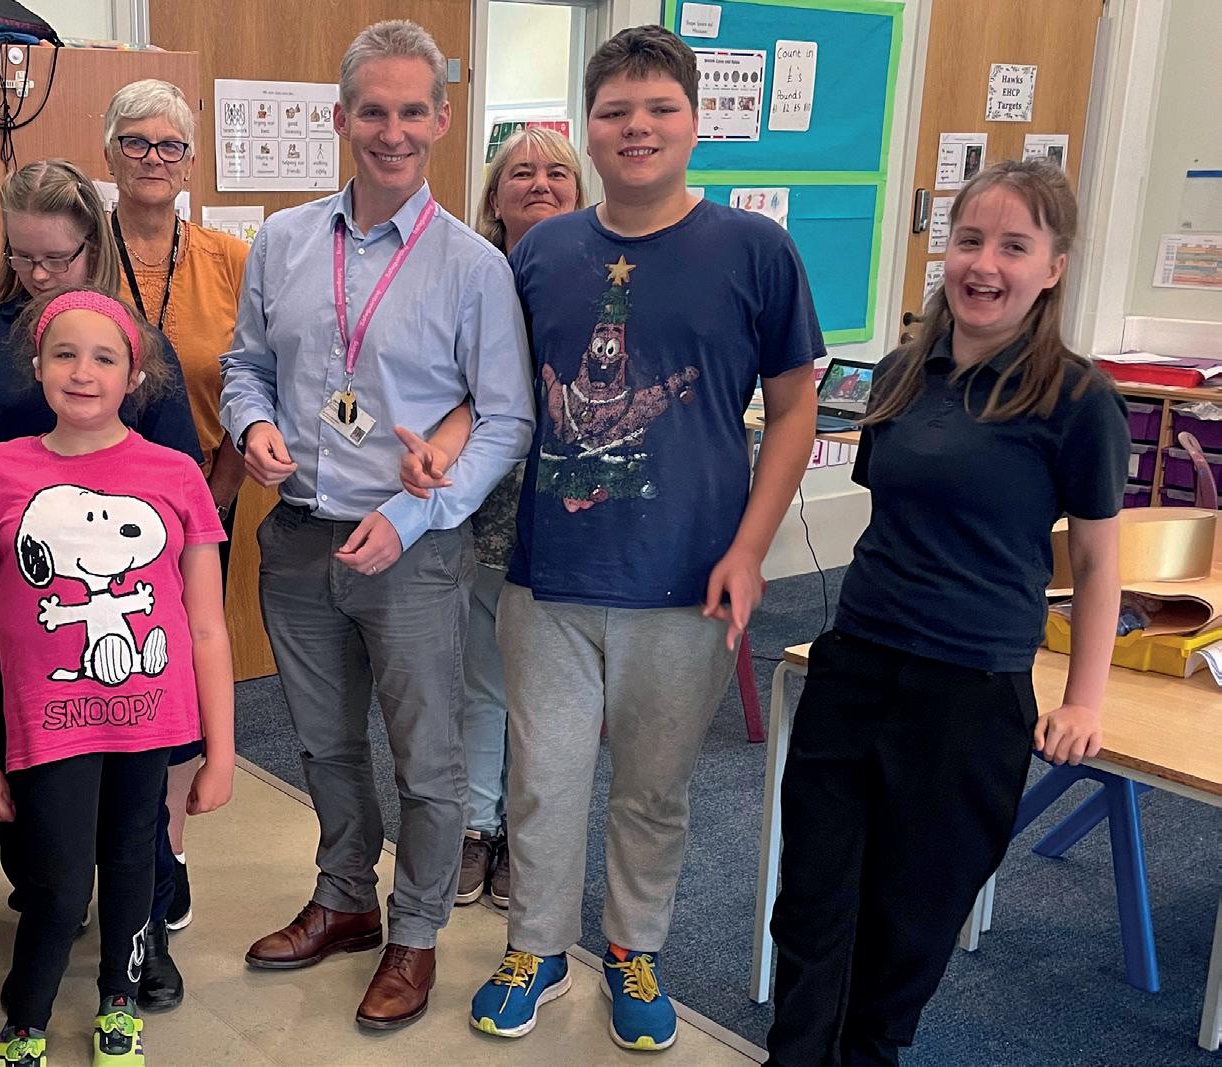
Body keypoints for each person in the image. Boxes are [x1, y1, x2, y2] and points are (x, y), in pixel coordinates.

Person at [466, 26, 819, 1050]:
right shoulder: (541, 254)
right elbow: (496, 394)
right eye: (615, 110)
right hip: (551, 576)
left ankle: (633, 947)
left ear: (695, 123)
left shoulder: (754, 250)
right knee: (543, 780)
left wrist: (749, 548)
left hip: (689, 579)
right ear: (590, 127)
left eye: (659, 108)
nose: (637, 127)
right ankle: (536, 947)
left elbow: (794, 408)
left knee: (654, 788)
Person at [765, 160, 1127, 1067]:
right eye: (970, 240)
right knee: (811, 899)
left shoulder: (1076, 400)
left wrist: (1084, 699)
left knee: (910, 916)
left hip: (970, 690)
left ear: (1053, 267)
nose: (984, 264)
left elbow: (1094, 559)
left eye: (1014, 246)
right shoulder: (900, 374)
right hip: (857, 665)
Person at [223, 19, 534, 1031]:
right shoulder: (282, 242)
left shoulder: (473, 267)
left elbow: (505, 418)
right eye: (371, 111)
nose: (390, 131)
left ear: (440, 120)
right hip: (298, 535)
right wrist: (252, 423)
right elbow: (245, 365)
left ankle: (417, 930)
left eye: (410, 112)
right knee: (323, 742)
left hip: (413, 550)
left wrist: (418, 508)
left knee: (427, 759)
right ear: (340, 119)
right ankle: (345, 896)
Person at [0, 155, 202, 1008]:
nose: (39, 274)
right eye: (23, 256)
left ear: (94, 246)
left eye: (57, 257)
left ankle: (144, 938)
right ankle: (49, 904)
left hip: (119, 591)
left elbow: (176, 488)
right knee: (36, 787)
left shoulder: (132, 341)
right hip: (20, 591)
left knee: (136, 802)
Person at [0, 288, 235, 1067]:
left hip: (152, 720)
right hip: (48, 725)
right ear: (37, 366)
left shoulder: (175, 473)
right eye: (65, 354)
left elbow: (206, 626)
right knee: (59, 880)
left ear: (133, 374)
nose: (83, 372)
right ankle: (28, 1014)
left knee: (137, 866)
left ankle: (119, 999)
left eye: (104, 357)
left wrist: (220, 751)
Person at [404, 125, 586, 913]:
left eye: (557, 172)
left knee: (549, 696)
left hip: (570, 515)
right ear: (493, 196)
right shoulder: (468, 275)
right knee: (481, 679)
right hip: (484, 508)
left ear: (579, 193)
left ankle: (526, 834)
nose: (540, 183)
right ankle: (478, 824)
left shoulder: (598, 283)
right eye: (521, 172)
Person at [103, 77, 251, 957]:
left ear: (191, 161)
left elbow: (258, 377)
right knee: (102, 677)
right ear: (110, 152)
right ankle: (101, 846)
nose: (153, 158)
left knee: (177, 683)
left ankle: (168, 848)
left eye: (170, 145)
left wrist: (221, 487)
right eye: (136, 141)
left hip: (194, 511)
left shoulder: (231, 260)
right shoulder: (82, 253)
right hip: (86, 514)